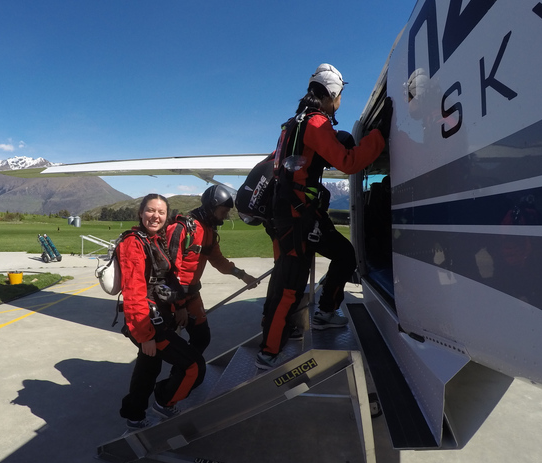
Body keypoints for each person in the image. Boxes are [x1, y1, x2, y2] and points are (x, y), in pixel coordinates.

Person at [257, 63, 391, 369]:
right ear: (332, 94)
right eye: (340, 95)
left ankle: (321, 314)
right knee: (290, 281)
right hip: (299, 216)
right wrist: (380, 135)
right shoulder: (316, 123)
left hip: (293, 213)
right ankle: (270, 349)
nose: (340, 102)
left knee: (340, 257)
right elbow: (348, 161)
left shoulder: (292, 124)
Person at [118, 194, 206, 431]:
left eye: (161, 212)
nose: (155, 216)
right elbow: (133, 293)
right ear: (140, 212)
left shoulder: (156, 240)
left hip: (160, 317)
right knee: (194, 366)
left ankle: (135, 415)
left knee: (148, 369)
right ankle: (164, 401)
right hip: (148, 322)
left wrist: (179, 308)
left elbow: (168, 280)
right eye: (150, 210)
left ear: (166, 217)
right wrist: (145, 335)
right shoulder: (133, 243)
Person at [167, 185, 257, 354]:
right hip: (173, 297)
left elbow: (218, 261)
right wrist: (179, 307)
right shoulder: (182, 229)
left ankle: (186, 372)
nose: (225, 216)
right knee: (164, 345)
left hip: (192, 294)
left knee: (201, 339)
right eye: (223, 212)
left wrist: (243, 276)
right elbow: (170, 269)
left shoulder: (209, 231)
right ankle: (180, 374)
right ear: (211, 208)